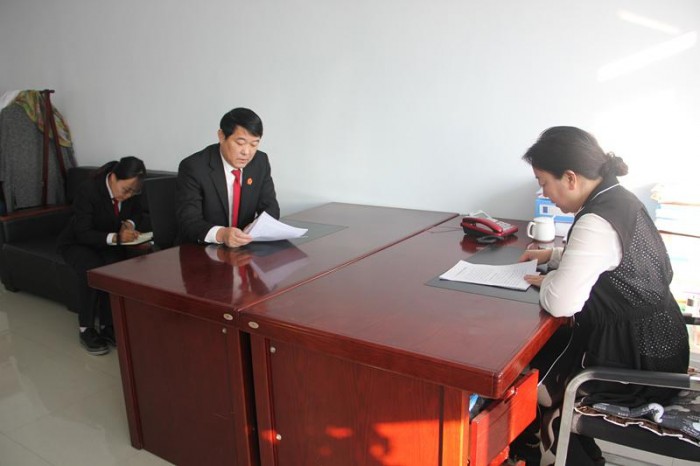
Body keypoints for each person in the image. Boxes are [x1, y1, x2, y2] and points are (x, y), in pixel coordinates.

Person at [514, 126, 689, 466]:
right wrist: (554, 257)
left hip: (636, 364)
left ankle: (548, 454)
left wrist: (549, 280)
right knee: (540, 361)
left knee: (531, 381)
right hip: (662, 347)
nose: (543, 192)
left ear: (570, 178)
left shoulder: (596, 220)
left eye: (543, 182)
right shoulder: (618, 198)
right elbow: (613, 260)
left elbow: (561, 302)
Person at [58, 157, 147, 355]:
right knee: (92, 268)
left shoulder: (132, 191)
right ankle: (86, 328)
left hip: (107, 243)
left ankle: (108, 325)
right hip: (77, 243)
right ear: (113, 177)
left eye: (133, 192)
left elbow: (138, 213)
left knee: (114, 267)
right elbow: (82, 232)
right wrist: (117, 237)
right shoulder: (88, 190)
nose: (128, 196)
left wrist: (129, 224)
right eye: (125, 190)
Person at [176, 107, 280, 247]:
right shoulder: (194, 167)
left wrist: (256, 227)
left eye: (254, 144)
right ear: (221, 136)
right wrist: (222, 234)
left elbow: (271, 207)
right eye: (240, 143)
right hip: (202, 249)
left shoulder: (260, 162)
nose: (246, 152)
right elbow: (189, 221)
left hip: (243, 248)